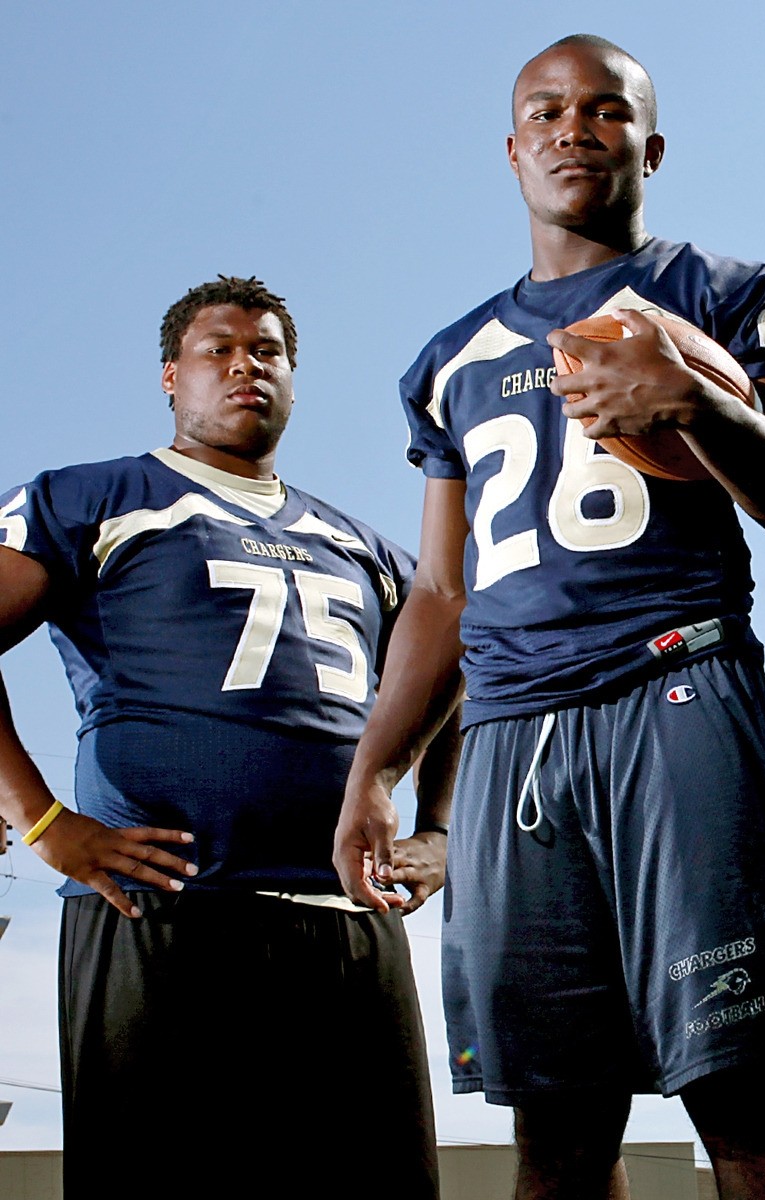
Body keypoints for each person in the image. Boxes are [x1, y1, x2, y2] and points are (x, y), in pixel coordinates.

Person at [333, 34, 765, 1200]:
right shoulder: (448, 360)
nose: (575, 128)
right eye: (548, 112)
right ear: (512, 149)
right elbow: (440, 592)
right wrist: (377, 769)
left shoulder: (730, 294)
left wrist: (696, 407)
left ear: (651, 145)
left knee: (739, 1091)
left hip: (672, 692)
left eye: (606, 111)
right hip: (513, 738)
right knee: (559, 1135)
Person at [0, 275, 447, 1199]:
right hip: (165, 916)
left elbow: (459, 687)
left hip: (347, 921)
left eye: (270, 351)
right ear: (172, 376)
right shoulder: (94, 497)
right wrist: (41, 820)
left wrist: (439, 826)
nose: (247, 366)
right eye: (219, 350)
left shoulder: (367, 546)